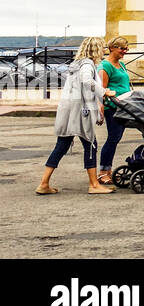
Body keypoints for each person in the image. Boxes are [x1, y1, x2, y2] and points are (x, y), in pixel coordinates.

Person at [37, 37, 114, 195]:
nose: (104, 50)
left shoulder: (76, 65)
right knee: (90, 145)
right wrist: (104, 91)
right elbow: (87, 82)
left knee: (62, 146)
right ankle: (93, 185)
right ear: (96, 49)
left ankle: (44, 184)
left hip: (69, 109)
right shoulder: (87, 64)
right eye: (102, 47)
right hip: (81, 110)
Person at [97, 36, 133, 185]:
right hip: (113, 107)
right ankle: (103, 172)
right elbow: (101, 90)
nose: (124, 51)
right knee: (112, 138)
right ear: (112, 48)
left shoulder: (122, 65)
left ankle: (108, 171)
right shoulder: (105, 66)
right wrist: (101, 111)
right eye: (121, 49)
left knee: (115, 138)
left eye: (126, 49)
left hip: (125, 105)